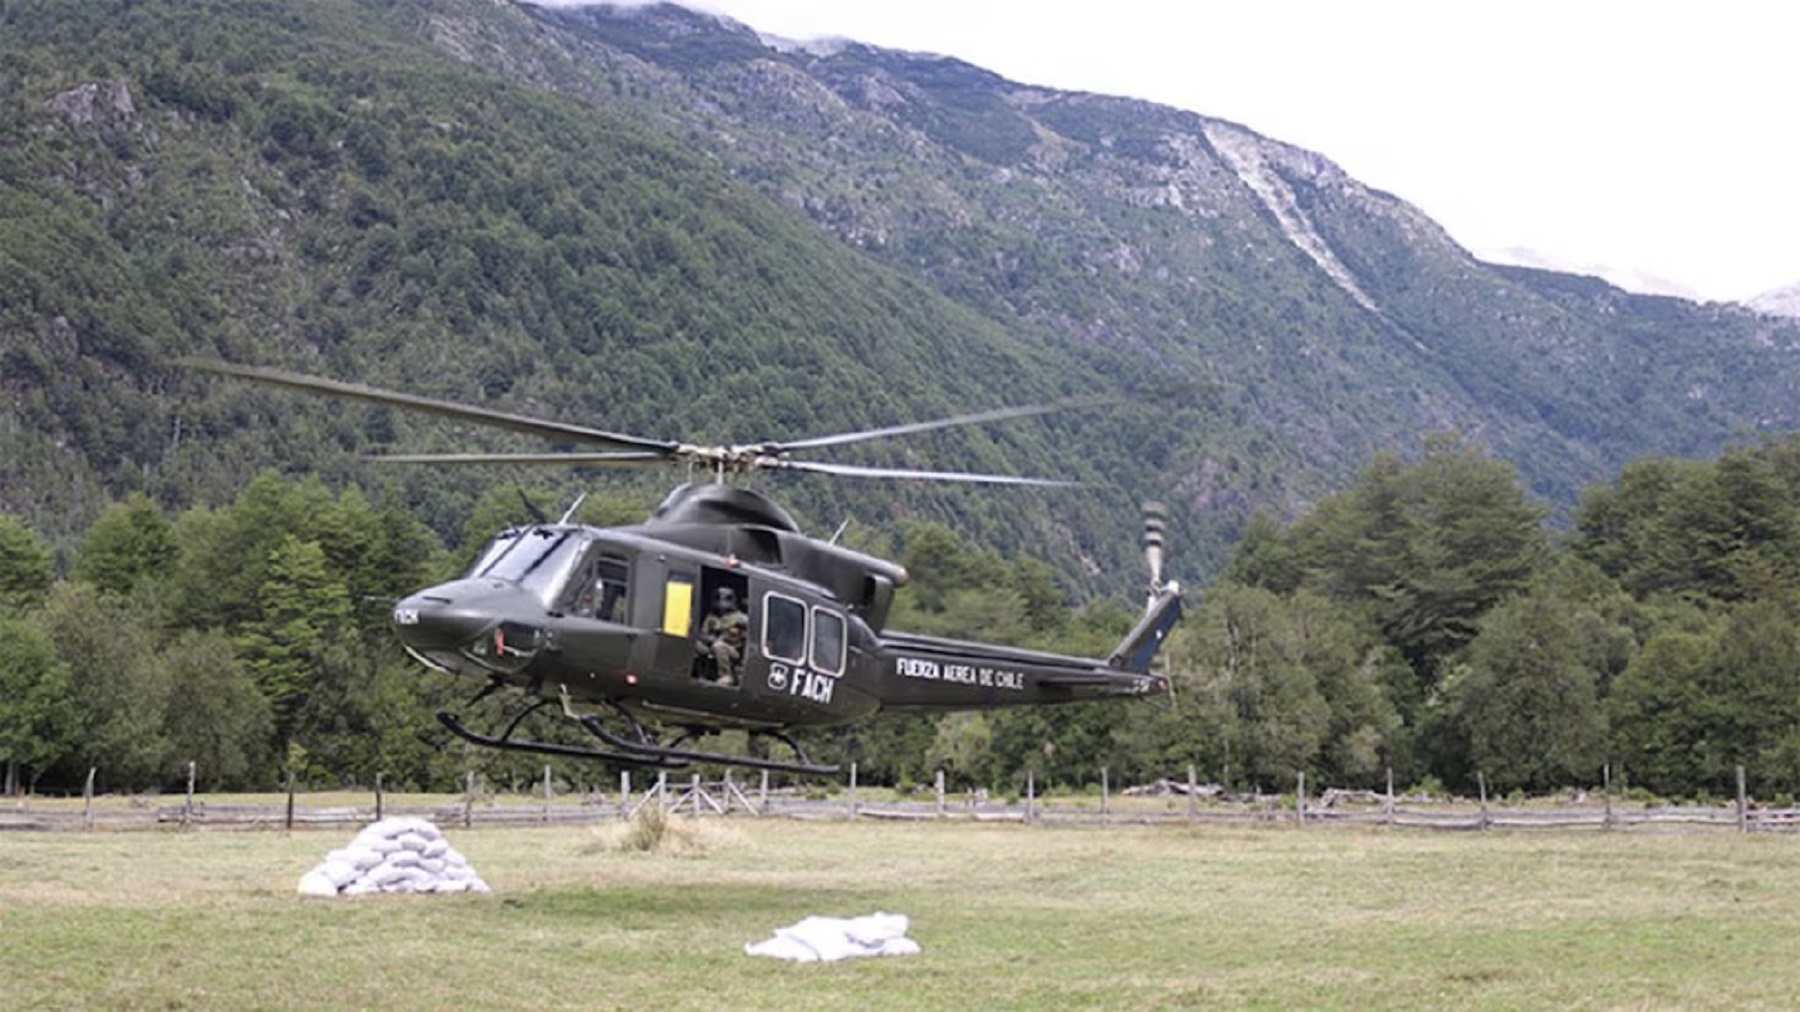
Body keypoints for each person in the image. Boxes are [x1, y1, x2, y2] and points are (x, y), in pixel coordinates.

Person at [697, 587, 747, 686]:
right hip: (712, 645)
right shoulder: (712, 617)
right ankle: (700, 673)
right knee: (696, 645)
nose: (721, 602)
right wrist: (710, 638)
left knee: (719, 646)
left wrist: (733, 635)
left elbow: (746, 638)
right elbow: (703, 634)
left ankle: (726, 675)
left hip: (733, 650)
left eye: (726, 599)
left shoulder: (741, 618)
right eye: (719, 598)